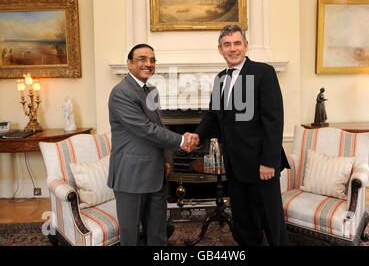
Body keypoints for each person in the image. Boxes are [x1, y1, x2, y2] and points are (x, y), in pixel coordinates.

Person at [189, 25, 290, 246]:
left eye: (237, 43)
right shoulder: (220, 79)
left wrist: (268, 162)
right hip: (234, 165)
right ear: (220, 49)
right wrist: (196, 136)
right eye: (227, 44)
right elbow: (213, 116)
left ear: (246, 46)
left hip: (261, 165)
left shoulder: (264, 72)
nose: (232, 49)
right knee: (244, 223)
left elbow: (274, 120)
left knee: (271, 223)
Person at [107, 43, 196, 246]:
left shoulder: (152, 90)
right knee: (130, 238)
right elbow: (145, 129)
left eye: (152, 60)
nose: (148, 64)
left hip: (156, 173)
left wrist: (165, 159)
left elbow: (158, 126)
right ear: (129, 64)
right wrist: (182, 140)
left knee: (157, 234)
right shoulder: (120, 93)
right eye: (142, 59)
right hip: (132, 176)